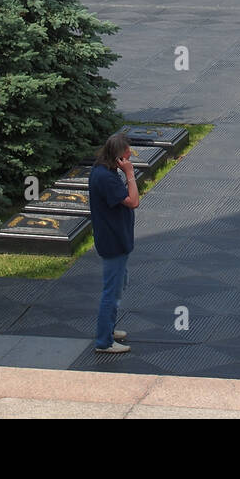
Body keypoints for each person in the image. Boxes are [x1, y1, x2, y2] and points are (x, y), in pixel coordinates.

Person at [90, 132, 140, 354]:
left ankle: (108, 329)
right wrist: (130, 174)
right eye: (127, 156)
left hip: (117, 238)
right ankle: (104, 341)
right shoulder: (107, 177)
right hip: (113, 242)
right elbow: (133, 201)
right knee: (112, 291)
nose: (130, 160)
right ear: (119, 157)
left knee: (120, 285)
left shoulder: (104, 171)